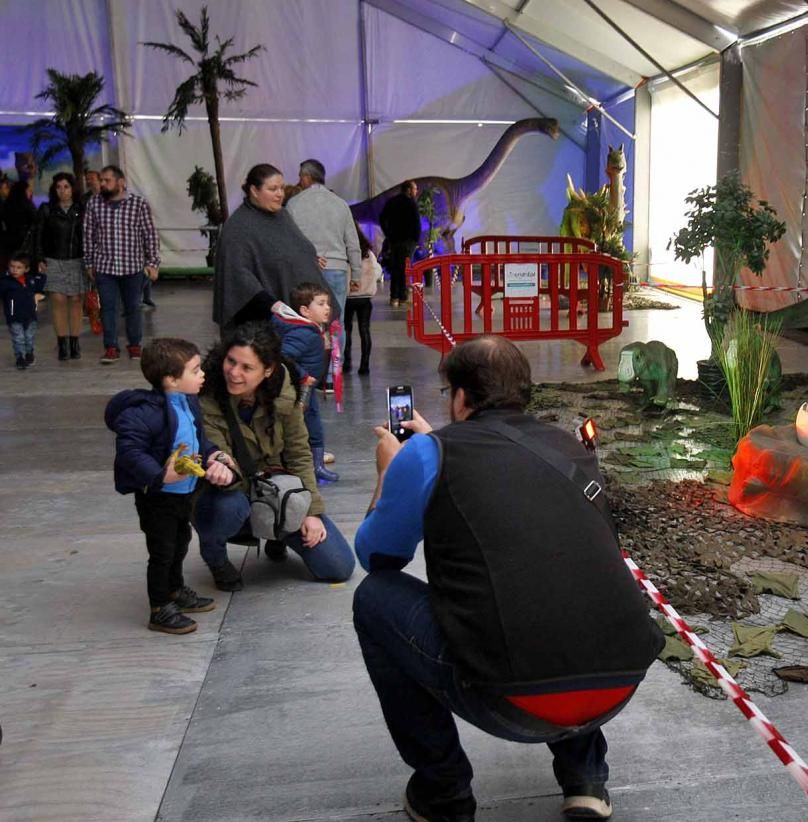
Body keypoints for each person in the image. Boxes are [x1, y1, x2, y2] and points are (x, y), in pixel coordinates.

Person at [353, 335, 664, 822]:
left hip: (514, 701)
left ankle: (444, 792)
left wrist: (390, 473)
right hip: (619, 683)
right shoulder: (566, 446)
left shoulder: (427, 454)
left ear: (459, 396)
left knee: (374, 600)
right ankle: (585, 779)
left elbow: (377, 557)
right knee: (560, 575)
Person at [195, 322, 355, 592]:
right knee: (228, 507)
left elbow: (299, 452)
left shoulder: (285, 389)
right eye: (231, 361)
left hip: (276, 487)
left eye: (247, 368)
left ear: (267, 370)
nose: (234, 373)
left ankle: (277, 533)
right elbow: (218, 456)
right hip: (232, 490)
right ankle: (216, 558)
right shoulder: (205, 393)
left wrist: (309, 511)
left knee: (338, 567)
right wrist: (223, 470)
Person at [104, 338, 237, 634]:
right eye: (195, 370)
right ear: (171, 380)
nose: (202, 374)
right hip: (157, 497)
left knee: (180, 543)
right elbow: (130, 452)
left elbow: (198, 440)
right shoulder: (143, 413)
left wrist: (215, 454)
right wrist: (160, 476)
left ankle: (175, 590)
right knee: (162, 550)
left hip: (184, 493)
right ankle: (159, 607)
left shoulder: (188, 402)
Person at [212, 163, 324, 328]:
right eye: (273, 189)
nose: (280, 194)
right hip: (257, 320)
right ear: (254, 191)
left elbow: (297, 248)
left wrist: (309, 261)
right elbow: (237, 274)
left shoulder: (282, 217)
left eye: (282, 188)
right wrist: (273, 305)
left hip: (295, 311)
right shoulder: (238, 226)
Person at [83, 165, 160, 364]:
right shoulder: (94, 204)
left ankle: (135, 345)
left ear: (120, 182)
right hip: (104, 268)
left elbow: (149, 234)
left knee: (133, 307)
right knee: (107, 308)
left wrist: (153, 263)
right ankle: (111, 347)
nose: (102, 184)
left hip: (132, 267)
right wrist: (89, 263)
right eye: (101, 180)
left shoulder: (138, 204)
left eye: (107, 180)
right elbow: (88, 235)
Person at [286, 159, 360, 359]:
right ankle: (333, 372)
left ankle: (311, 367)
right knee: (337, 321)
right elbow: (352, 243)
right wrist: (357, 275)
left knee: (305, 320)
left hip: (306, 270)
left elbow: (289, 241)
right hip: (337, 270)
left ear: (306, 178)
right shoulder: (341, 204)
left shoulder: (293, 204)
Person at [271, 281, 338, 483]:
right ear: (304, 310)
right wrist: (302, 374)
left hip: (307, 387)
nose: (327, 308)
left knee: (313, 425)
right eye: (321, 303)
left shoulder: (310, 330)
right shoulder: (303, 333)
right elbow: (282, 356)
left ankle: (316, 465)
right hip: (300, 388)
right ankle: (310, 466)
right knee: (304, 427)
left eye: (327, 303)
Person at [31, 172, 87, 360]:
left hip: (77, 260)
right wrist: (38, 258)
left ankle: (75, 342)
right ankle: (62, 343)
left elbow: (89, 236)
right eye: (59, 187)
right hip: (53, 260)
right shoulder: (47, 209)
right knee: (59, 300)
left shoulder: (81, 209)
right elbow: (38, 235)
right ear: (54, 190)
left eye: (66, 186)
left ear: (73, 189)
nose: (62, 190)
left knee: (76, 300)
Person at [343, 223, 380, 375]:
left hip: (348, 297)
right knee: (365, 330)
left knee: (346, 330)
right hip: (365, 298)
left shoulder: (343, 251)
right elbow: (377, 271)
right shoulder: (368, 253)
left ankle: (347, 363)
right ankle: (364, 366)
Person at [379, 179, 420, 307]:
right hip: (408, 242)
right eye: (414, 189)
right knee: (404, 269)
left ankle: (394, 297)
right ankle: (402, 297)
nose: (416, 191)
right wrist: (415, 239)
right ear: (408, 190)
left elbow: (382, 217)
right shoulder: (411, 203)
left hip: (394, 241)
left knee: (395, 268)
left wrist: (388, 233)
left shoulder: (392, 202)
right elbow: (416, 223)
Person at [1, 252, 45, 369]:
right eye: (12, 266)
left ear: (26, 269)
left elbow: (40, 285)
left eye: (19, 267)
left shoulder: (30, 280)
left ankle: (29, 353)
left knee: (29, 337)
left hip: (30, 316)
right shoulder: (5, 282)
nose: (14, 270)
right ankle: (20, 357)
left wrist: (42, 274)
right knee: (18, 337)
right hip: (14, 316)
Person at [2, 180, 37, 267]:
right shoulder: (27, 204)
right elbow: (37, 221)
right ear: (23, 191)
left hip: (8, 242)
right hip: (25, 242)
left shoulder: (6, 204)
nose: (31, 192)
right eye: (29, 190)